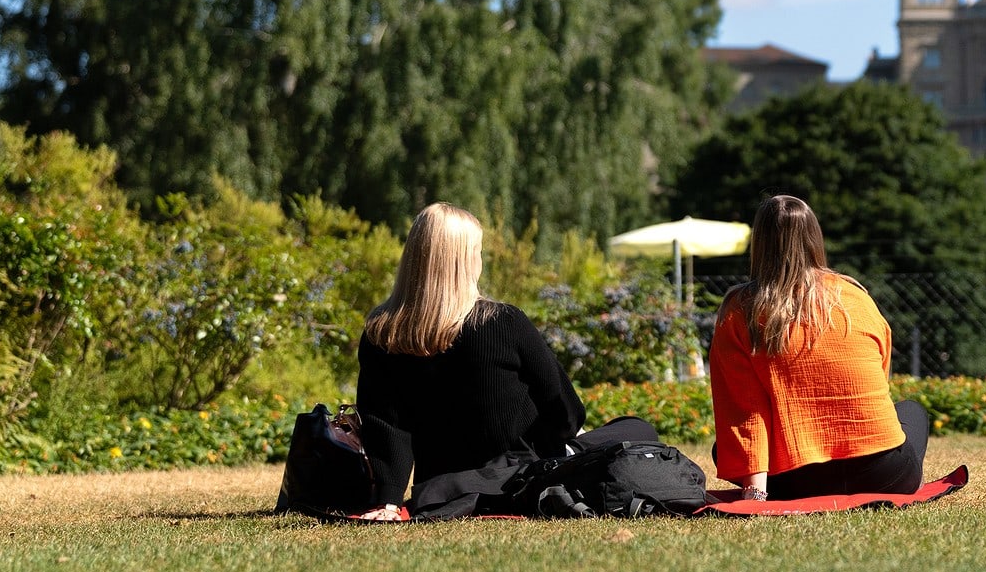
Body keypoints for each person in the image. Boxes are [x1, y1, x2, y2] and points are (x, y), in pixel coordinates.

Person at [354, 202, 656, 519]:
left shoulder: (381, 334)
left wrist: (388, 500)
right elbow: (566, 412)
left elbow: (385, 427)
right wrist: (560, 445)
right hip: (521, 476)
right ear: (465, 260)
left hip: (441, 485)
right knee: (637, 428)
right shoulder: (502, 322)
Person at [709, 195, 930, 501]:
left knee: (723, 449)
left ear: (759, 243)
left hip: (795, 481)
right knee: (911, 411)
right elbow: (880, 375)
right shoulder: (856, 295)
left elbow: (746, 410)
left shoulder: (739, 311)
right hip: (884, 474)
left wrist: (756, 496)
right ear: (815, 237)